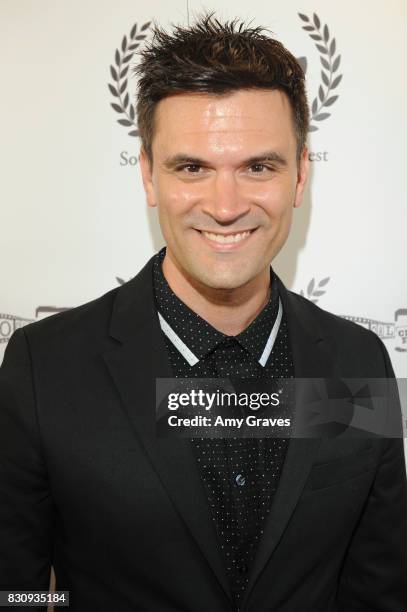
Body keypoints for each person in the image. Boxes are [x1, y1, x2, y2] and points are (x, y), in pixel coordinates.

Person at [1, 12, 406, 612]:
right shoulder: (45, 367)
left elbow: (379, 586)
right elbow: (18, 591)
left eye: (258, 167)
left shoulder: (355, 359)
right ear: (147, 175)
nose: (225, 205)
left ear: (300, 177)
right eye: (192, 168)